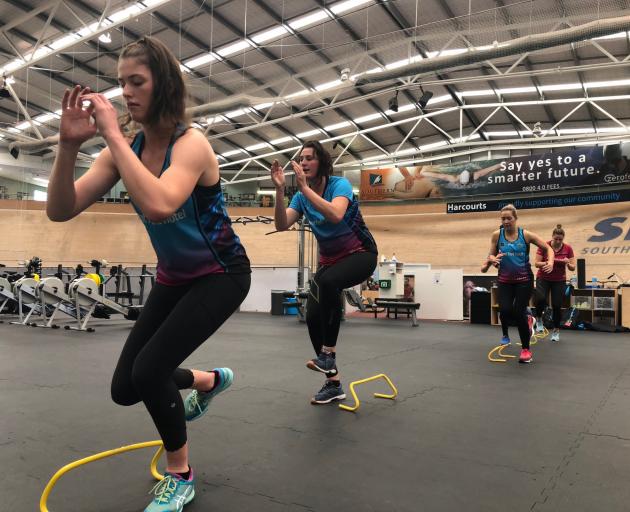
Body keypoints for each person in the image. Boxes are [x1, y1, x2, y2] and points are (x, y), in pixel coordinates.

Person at [46, 36, 251, 511]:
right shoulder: (126, 148)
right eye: (121, 84)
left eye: (136, 82)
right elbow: (61, 209)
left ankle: (181, 475)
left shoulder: (191, 144)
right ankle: (206, 379)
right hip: (174, 278)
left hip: (221, 274)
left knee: (151, 370)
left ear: (165, 85)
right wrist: (67, 146)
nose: (126, 93)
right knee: (125, 388)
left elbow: (160, 205)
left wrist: (113, 138)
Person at [271, 141, 378, 404]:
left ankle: (328, 353)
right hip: (330, 262)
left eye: (309, 158)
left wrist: (305, 189)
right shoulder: (299, 197)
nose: (304, 162)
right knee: (312, 317)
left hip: (361, 254)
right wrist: (280, 190)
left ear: (322, 163)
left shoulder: (338, 185)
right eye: (301, 158)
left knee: (329, 282)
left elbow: (336, 215)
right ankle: (333, 382)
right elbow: (282, 224)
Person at [481, 204, 553, 363]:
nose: (506, 221)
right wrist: (491, 259)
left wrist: (551, 262)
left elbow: (548, 248)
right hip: (505, 281)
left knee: (518, 311)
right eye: (503, 218)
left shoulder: (525, 235)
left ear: (515, 219)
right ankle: (529, 319)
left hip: (524, 280)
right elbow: (489, 259)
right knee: (505, 311)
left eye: (509, 218)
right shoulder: (496, 236)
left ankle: (526, 350)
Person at [533, 224, 576, 342]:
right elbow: (536, 263)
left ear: (563, 239)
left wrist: (567, 263)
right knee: (541, 298)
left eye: (560, 239)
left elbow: (573, 267)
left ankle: (556, 331)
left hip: (559, 280)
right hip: (543, 277)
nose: (557, 241)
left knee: (557, 305)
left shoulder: (568, 248)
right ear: (552, 237)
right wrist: (549, 262)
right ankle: (539, 318)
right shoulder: (544, 246)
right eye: (555, 239)